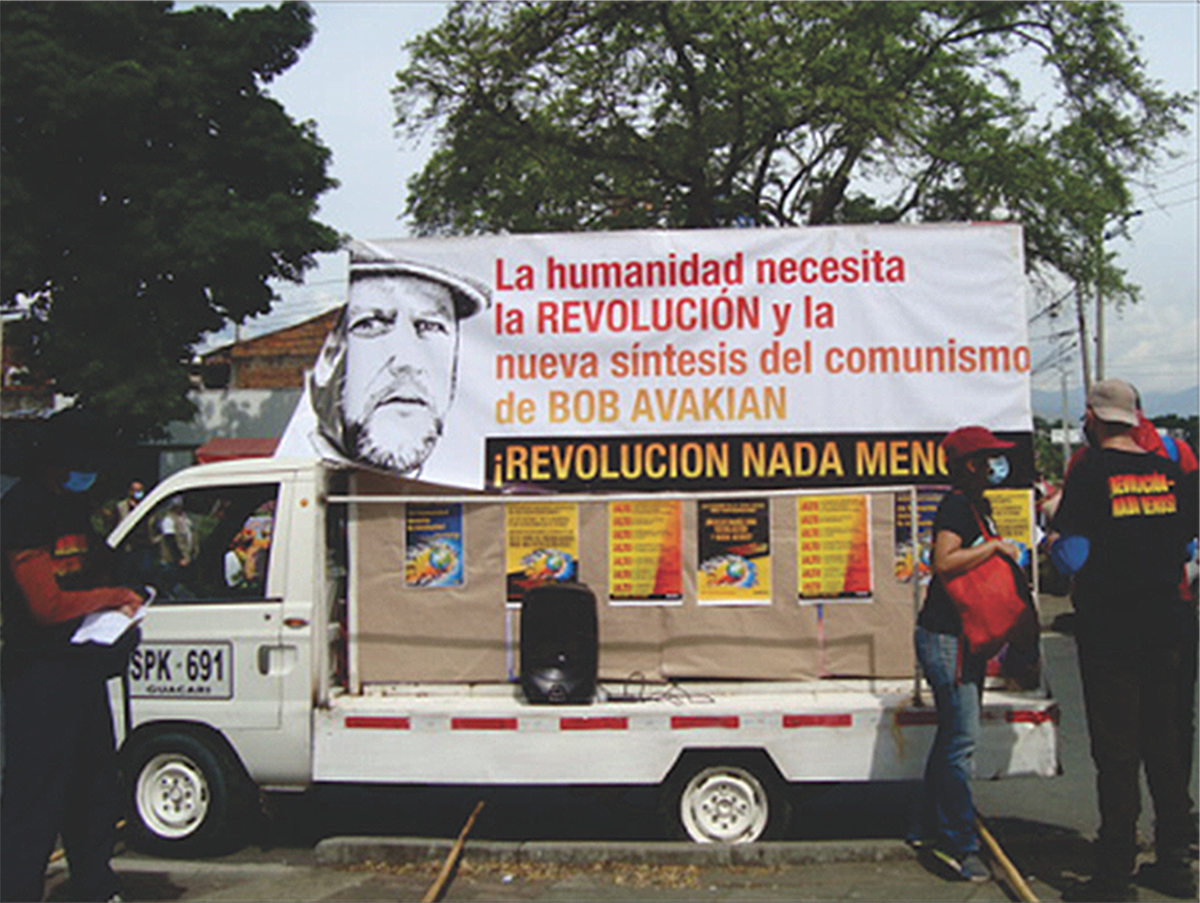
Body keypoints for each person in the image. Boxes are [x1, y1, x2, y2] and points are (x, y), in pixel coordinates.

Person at [1050, 379, 1197, 902]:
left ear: (1091, 417)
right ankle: (1176, 864)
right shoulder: (1168, 471)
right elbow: (1185, 540)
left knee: (1117, 753)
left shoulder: (1090, 472)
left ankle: (1114, 875)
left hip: (1111, 628)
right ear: (1136, 418)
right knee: (1167, 745)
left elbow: (1069, 551)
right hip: (1170, 624)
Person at [0, 410, 145, 902]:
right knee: (36, 797)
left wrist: (123, 603)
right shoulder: (23, 509)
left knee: (93, 789)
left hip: (81, 667)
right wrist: (111, 598)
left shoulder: (73, 507)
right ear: (55, 462)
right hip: (37, 675)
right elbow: (45, 605)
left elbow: (96, 568)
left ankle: (95, 887)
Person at [907, 425, 1022, 883]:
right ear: (970, 464)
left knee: (951, 740)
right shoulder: (956, 505)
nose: (998, 463)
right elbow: (944, 562)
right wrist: (994, 546)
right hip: (945, 639)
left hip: (963, 637)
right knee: (960, 744)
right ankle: (957, 845)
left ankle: (925, 826)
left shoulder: (979, 505)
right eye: (990, 456)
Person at [277, 249, 490, 475]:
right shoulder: (290, 480)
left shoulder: (466, 484)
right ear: (331, 357)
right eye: (372, 324)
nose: (407, 362)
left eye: (430, 326)